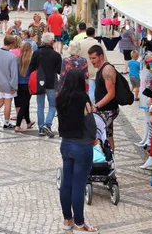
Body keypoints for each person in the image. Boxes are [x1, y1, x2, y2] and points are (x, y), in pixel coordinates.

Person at [56, 68, 99, 234]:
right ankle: (80, 224)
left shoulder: (61, 98)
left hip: (66, 144)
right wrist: (93, 137)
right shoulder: (83, 99)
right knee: (78, 186)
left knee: (66, 184)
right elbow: (90, 123)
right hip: (82, 146)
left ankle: (67, 219)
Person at [29, 32, 62, 138]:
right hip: (52, 83)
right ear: (52, 42)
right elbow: (59, 71)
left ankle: (41, 128)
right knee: (53, 105)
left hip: (39, 82)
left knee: (40, 106)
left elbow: (31, 67)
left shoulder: (37, 53)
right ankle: (48, 124)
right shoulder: (56, 55)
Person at [88, 45, 120, 152]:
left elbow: (111, 93)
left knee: (105, 134)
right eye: (90, 58)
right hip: (104, 109)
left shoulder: (107, 70)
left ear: (101, 56)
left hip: (109, 109)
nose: (92, 61)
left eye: (94, 58)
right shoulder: (101, 69)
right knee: (107, 133)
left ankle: (109, 157)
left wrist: (96, 106)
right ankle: (109, 156)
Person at [79, 27, 107, 103]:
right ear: (94, 34)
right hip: (93, 70)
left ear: (86, 33)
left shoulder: (80, 43)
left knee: (83, 90)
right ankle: (90, 106)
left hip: (82, 70)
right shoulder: (97, 44)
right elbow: (104, 57)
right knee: (92, 89)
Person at [15, 42, 35, 132]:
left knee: (25, 103)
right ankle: (17, 125)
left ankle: (28, 122)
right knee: (24, 104)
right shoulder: (31, 60)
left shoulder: (17, 59)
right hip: (27, 84)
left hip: (18, 84)